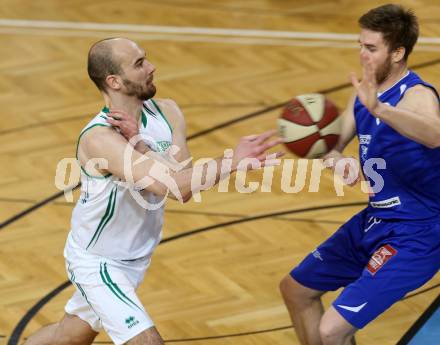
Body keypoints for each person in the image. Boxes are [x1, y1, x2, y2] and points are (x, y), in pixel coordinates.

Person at [25, 37, 282, 345]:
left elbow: (182, 180)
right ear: (114, 81)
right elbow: (171, 186)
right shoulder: (100, 138)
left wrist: (142, 144)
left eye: (145, 59)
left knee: (68, 337)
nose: (151, 67)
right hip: (98, 261)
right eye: (139, 64)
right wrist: (233, 162)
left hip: (135, 256)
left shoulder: (168, 112)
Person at [280, 4, 440, 345]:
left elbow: (435, 133)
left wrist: (381, 109)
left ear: (397, 52)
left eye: (371, 48)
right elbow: (330, 146)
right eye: (360, 45)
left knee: (331, 330)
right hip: (375, 221)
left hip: (417, 234)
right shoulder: (364, 95)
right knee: (295, 290)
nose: (362, 55)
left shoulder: (416, 95)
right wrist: (336, 159)